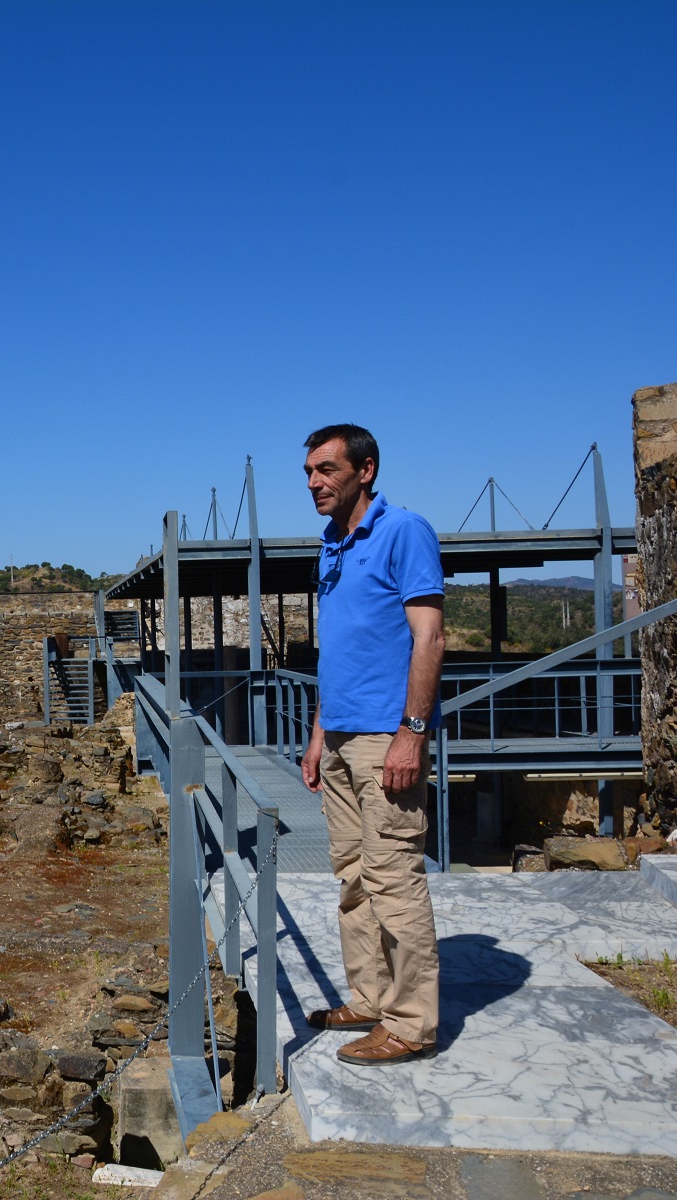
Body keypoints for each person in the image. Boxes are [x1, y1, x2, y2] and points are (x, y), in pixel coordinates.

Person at [298, 423, 446, 1066]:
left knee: (393, 880)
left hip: (388, 736)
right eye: (309, 472)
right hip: (340, 740)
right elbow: (341, 653)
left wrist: (411, 734)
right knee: (353, 879)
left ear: (366, 469)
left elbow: (430, 638)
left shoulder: (403, 530)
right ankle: (368, 997)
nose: (314, 483)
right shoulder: (331, 545)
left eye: (327, 469)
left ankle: (411, 1024)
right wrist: (317, 737)